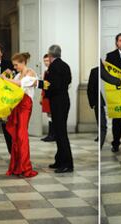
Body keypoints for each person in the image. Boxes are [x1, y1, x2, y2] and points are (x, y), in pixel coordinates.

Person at [2, 52, 38, 177]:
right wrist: (5, 76)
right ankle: (17, 166)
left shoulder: (30, 73)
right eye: (14, 65)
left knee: (22, 135)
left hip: (25, 107)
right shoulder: (17, 75)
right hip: (17, 106)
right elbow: (11, 86)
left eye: (16, 65)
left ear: (23, 63)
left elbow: (20, 84)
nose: (15, 67)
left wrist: (7, 79)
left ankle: (25, 167)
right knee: (16, 136)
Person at [44, 45, 74, 173]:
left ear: (50, 56)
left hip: (58, 102)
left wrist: (43, 87)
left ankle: (67, 164)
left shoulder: (53, 67)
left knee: (61, 133)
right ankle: (60, 159)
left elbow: (53, 86)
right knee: (58, 132)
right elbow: (68, 81)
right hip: (64, 100)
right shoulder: (65, 65)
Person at [88, 66, 107, 149]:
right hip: (97, 101)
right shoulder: (95, 71)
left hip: (99, 101)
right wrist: (92, 103)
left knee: (102, 124)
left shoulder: (104, 69)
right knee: (101, 124)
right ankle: (100, 139)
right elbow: (90, 88)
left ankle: (100, 143)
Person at [40, 54, 55, 142]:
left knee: (52, 114)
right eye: (44, 61)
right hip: (45, 94)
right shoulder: (46, 72)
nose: (46, 63)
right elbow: (43, 86)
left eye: (47, 61)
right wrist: (41, 96)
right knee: (49, 114)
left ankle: (53, 134)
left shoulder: (53, 71)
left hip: (50, 95)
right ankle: (50, 134)